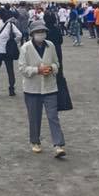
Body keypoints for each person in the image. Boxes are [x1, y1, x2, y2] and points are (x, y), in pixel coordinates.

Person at [17, 21, 65, 158]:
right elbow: (22, 68)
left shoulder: (51, 45)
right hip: (32, 88)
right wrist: (37, 70)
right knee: (34, 117)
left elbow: (57, 63)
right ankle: (35, 141)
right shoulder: (26, 48)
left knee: (53, 116)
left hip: (50, 87)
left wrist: (51, 69)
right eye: (38, 32)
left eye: (43, 31)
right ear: (32, 34)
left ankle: (58, 144)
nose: (41, 34)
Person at [0, 9, 22, 97]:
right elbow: (19, 35)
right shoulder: (10, 25)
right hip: (8, 50)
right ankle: (11, 90)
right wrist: (13, 41)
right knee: (10, 70)